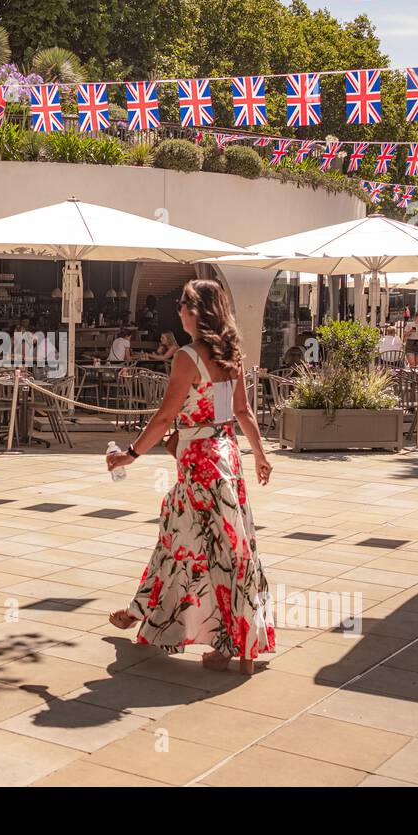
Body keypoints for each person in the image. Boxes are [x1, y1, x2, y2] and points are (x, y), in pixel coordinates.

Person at [106, 280, 275, 675]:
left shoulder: (187, 357)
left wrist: (129, 455)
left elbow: (165, 417)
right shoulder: (230, 354)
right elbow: (242, 412)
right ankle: (239, 642)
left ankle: (222, 640)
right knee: (231, 548)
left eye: (183, 305)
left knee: (187, 546)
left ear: (196, 312)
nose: (178, 311)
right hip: (226, 457)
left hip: (199, 462)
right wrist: (261, 456)